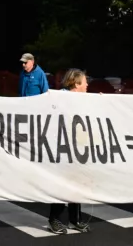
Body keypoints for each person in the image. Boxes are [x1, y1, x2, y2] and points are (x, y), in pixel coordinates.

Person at [47, 68, 93, 235]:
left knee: (76, 185)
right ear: (76, 83)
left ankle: (75, 220)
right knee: (62, 185)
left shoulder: (82, 99)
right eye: (85, 82)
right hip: (62, 149)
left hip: (77, 148)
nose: (87, 85)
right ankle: (54, 219)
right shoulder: (60, 98)